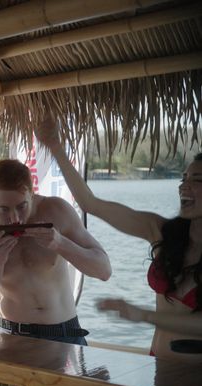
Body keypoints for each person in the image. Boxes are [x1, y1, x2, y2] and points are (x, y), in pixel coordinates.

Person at [38, 117, 202, 360]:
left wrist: (144, 315)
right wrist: (55, 147)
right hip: (157, 364)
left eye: (196, 180)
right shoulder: (162, 232)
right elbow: (90, 204)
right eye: (183, 179)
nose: (183, 187)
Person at [0, 158, 112, 345]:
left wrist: (61, 244)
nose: (15, 218)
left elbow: (104, 270)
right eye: (4, 209)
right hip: (11, 336)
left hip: (64, 332)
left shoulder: (57, 211)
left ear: (32, 194)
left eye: (22, 206)